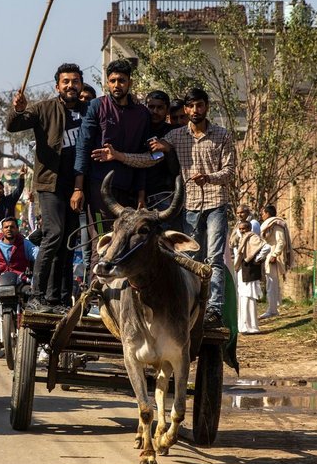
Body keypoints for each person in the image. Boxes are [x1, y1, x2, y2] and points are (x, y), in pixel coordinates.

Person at [6, 62, 88, 314]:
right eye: (66, 82)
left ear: (81, 85)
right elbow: (14, 125)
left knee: (67, 241)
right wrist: (16, 110)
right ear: (57, 86)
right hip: (50, 184)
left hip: (77, 186)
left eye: (75, 81)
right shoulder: (44, 109)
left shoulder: (89, 111)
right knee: (54, 234)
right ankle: (36, 295)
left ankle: (59, 300)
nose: (71, 86)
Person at [158, 87, 236, 328]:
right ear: (185, 109)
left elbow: (230, 170)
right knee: (190, 257)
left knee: (213, 258)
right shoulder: (176, 136)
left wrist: (209, 177)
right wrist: (118, 156)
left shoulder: (222, 135)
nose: (195, 110)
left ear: (206, 107)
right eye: (190, 107)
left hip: (216, 203)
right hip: (190, 205)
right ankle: (191, 305)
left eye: (199, 105)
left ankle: (214, 310)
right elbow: (148, 157)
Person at [89, 89, 183, 228]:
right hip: (136, 197)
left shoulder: (172, 133)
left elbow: (159, 163)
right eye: (151, 107)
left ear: (167, 110)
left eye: (160, 107)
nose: (155, 111)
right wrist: (140, 195)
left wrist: (167, 149)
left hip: (163, 196)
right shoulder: (137, 128)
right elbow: (139, 164)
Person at [73, 59, 151, 225]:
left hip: (129, 189)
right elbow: (82, 147)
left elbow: (144, 156)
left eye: (122, 80)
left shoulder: (142, 113)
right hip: (98, 188)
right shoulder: (96, 106)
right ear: (107, 83)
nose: (117, 85)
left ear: (130, 82)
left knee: (126, 242)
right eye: (113, 81)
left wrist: (141, 195)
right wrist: (78, 188)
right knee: (100, 240)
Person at [232, 220, 270, 334]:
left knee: (248, 297)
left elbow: (266, 247)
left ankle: (250, 327)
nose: (242, 230)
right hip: (242, 271)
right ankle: (243, 326)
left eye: (244, 228)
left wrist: (257, 258)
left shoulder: (252, 237)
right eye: (241, 229)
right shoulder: (242, 238)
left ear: (249, 228)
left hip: (250, 271)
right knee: (243, 297)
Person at [259, 205, 292, 319]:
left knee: (271, 284)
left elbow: (281, 241)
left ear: (267, 213)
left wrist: (274, 255)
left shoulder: (276, 224)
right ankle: (273, 307)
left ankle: (272, 310)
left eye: (263, 213)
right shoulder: (269, 224)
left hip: (272, 257)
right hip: (268, 255)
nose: (262, 215)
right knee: (271, 283)